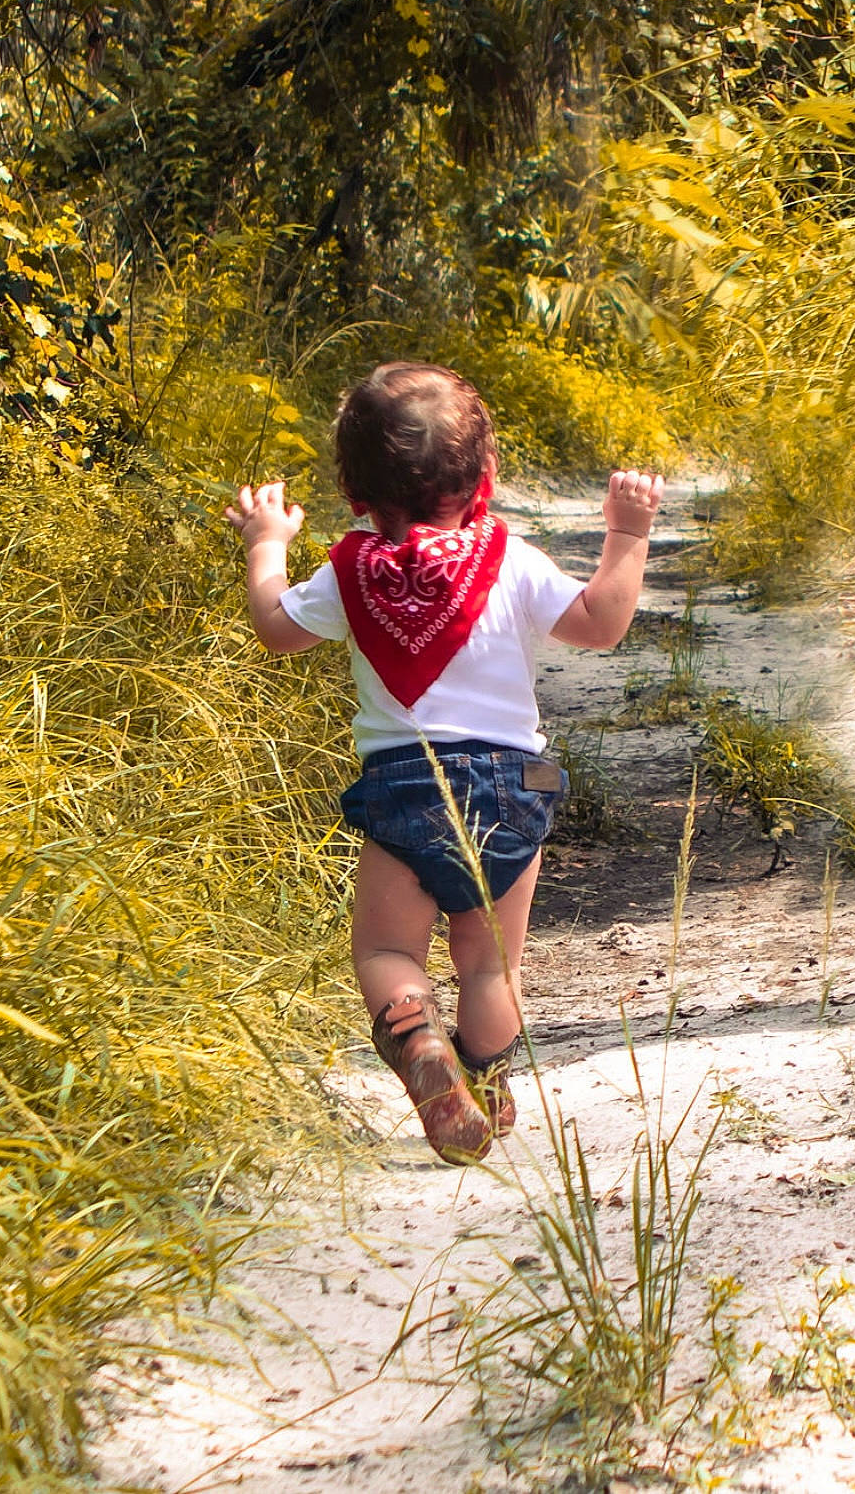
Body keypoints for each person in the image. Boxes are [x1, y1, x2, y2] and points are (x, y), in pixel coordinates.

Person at [226, 363, 663, 1164]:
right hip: (513, 788)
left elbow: (275, 627)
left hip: (402, 789)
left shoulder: (350, 572)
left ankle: (419, 1039)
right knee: (491, 963)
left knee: (386, 952)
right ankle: (486, 1084)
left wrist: (266, 544)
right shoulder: (509, 558)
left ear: (354, 492)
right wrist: (627, 534)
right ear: (483, 476)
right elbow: (599, 624)